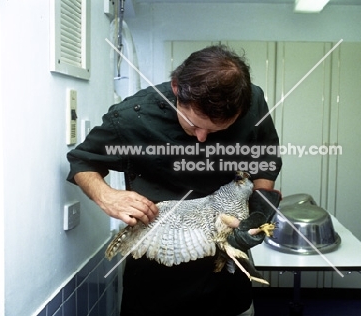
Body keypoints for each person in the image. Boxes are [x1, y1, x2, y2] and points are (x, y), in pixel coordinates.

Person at [67, 45, 282, 316]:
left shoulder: (253, 103)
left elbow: (265, 161)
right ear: (177, 88)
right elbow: (82, 161)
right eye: (193, 125)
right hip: (157, 270)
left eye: (218, 130)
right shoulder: (133, 117)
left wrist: (257, 216)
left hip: (226, 265)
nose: (202, 137)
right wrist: (107, 195)